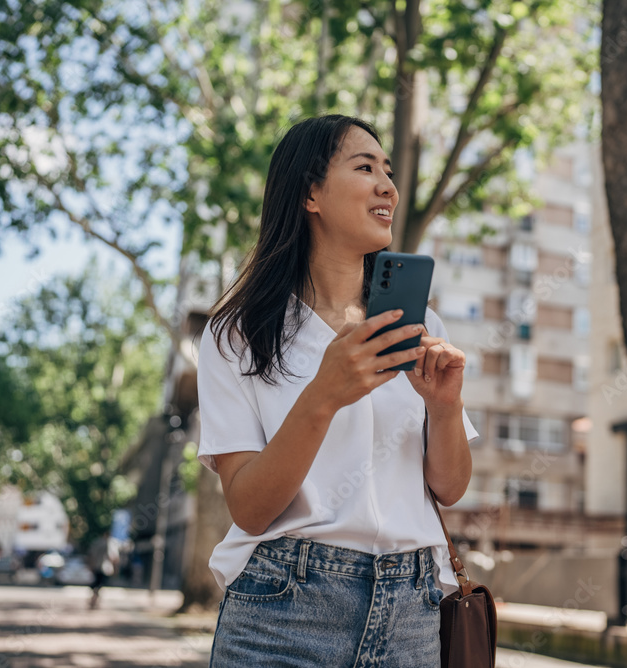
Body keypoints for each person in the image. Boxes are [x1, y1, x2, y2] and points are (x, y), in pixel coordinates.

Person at [196, 114, 479, 667]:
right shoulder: (238, 333)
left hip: (411, 616)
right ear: (310, 193)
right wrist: (323, 395)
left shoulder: (420, 327)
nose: (388, 187)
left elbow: (450, 488)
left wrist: (445, 410)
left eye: (389, 172)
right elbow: (250, 509)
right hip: (283, 612)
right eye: (365, 167)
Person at [87, 530, 119, 610]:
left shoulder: (97, 542)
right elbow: (113, 557)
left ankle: (94, 600)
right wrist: (115, 568)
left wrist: (91, 565)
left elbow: (91, 555)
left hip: (97, 567)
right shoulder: (110, 544)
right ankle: (94, 600)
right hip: (105, 568)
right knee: (99, 585)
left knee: (97, 584)